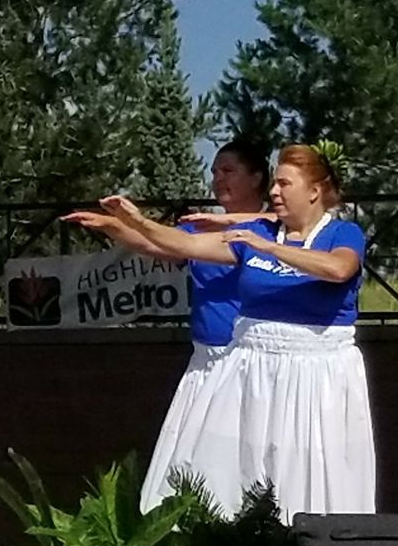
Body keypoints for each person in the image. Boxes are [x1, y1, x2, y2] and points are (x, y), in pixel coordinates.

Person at [85, 144, 372, 520]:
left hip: (314, 377)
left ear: (314, 191)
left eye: (284, 184)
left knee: (302, 480)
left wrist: (268, 247)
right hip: (252, 371)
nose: (274, 192)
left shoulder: (341, 233)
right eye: (274, 183)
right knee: (220, 477)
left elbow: (338, 270)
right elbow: (186, 243)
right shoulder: (257, 233)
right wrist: (136, 221)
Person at [63, 141, 272, 514]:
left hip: (247, 363)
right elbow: (156, 245)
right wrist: (112, 226)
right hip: (204, 363)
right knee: (191, 463)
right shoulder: (194, 227)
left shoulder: (270, 232)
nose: (217, 179)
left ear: (257, 177)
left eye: (228, 171)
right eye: (214, 171)